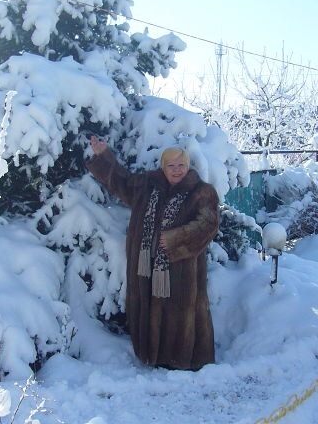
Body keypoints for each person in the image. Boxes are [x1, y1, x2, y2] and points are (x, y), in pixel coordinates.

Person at [86, 135, 219, 371]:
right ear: (163, 167)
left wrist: (176, 239)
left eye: (181, 165)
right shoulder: (148, 185)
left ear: (188, 166)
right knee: (149, 307)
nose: (177, 170)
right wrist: (103, 155)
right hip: (146, 266)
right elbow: (122, 181)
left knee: (179, 311)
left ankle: (184, 359)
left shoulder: (202, 192)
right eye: (171, 165)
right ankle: (153, 356)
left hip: (181, 271)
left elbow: (208, 224)